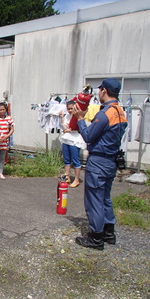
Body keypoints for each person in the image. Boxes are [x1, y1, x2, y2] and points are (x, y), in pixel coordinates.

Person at [72, 78, 127, 250]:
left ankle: (96, 237)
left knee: (94, 199)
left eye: (100, 90)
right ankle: (109, 233)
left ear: (104, 91)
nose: (98, 93)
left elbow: (88, 136)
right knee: (105, 198)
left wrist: (80, 119)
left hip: (99, 160)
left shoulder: (105, 114)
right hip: (111, 161)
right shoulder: (120, 111)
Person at [59, 101, 86, 188]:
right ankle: (67, 176)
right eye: (68, 108)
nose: (70, 110)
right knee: (67, 160)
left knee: (75, 160)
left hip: (75, 140)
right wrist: (61, 118)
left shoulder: (78, 116)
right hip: (66, 139)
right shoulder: (67, 115)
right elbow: (63, 126)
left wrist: (70, 130)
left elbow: (80, 127)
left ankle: (77, 179)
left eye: (71, 108)